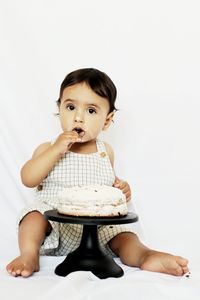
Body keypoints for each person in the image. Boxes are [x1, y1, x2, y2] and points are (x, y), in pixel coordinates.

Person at [6, 68, 189, 278]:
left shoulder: (105, 152)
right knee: (32, 216)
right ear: (59, 108)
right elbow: (28, 178)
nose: (78, 118)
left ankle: (145, 256)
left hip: (97, 229)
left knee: (126, 237)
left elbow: (107, 186)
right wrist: (56, 149)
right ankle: (29, 255)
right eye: (70, 107)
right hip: (55, 223)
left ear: (107, 120)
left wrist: (121, 189)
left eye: (91, 111)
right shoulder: (47, 149)